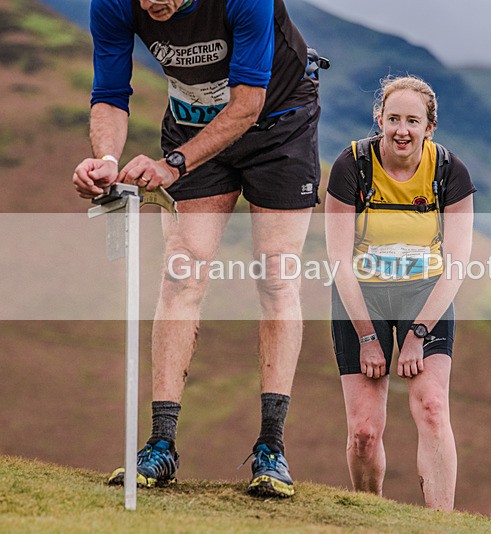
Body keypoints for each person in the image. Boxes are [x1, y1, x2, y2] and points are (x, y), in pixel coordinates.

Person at [71, 0, 324, 498]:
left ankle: (271, 449)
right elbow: (110, 95)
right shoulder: (113, 3)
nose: (152, 5)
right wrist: (106, 160)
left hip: (279, 123)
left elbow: (247, 104)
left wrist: (173, 165)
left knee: (277, 276)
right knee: (181, 272)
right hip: (192, 124)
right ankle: (161, 445)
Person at [325, 75, 475, 510]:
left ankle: (439, 522)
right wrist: (368, 337)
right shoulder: (352, 165)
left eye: (413, 121)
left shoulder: (449, 171)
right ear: (380, 120)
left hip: (425, 295)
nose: (402, 130)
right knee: (364, 432)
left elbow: (457, 264)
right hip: (361, 298)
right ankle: (371, 514)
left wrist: (419, 333)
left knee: (432, 408)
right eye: (393, 119)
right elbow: (338, 261)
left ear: (430, 127)